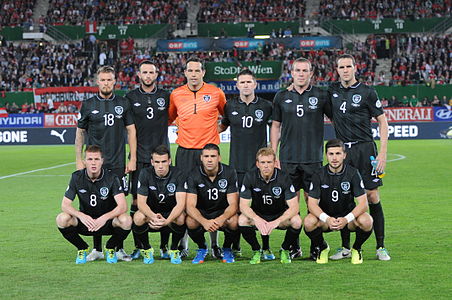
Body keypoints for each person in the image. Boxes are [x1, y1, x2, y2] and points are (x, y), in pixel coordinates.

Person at [328, 54, 390, 261]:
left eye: (348, 66)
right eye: (341, 67)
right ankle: (345, 247)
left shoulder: (367, 92)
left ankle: (380, 247)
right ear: (336, 70)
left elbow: (382, 122)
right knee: (345, 198)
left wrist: (382, 153)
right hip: (343, 151)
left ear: (355, 68)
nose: (345, 70)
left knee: (372, 195)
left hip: (366, 150)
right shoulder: (332, 92)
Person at [270, 57, 331, 259]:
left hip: (313, 159)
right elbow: (276, 126)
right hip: (288, 159)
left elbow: (336, 118)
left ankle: (317, 245)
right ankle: (294, 247)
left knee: (312, 204)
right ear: (292, 72)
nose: (301, 73)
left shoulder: (321, 95)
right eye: (298, 70)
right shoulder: (281, 96)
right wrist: (273, 153)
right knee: (292, 206)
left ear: (311, 73)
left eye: (305, 70)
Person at [75, 65, 137, 262]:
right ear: (97, 81)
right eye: (103, 80)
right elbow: (80, 132)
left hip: (118, 163)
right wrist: (78, 159)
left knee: (119, 206)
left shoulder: (123, 103)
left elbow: (131, 131)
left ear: (114, 81)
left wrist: (132, 157)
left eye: (109, 79)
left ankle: (117, 248)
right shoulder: (88, 104)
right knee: (96, 206)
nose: (106, 83)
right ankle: (97, 249)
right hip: (94, 164)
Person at [169, 57, 227, 258]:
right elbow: (169, 118)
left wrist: (216, 131)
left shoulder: (215, 93)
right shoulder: (176, 94)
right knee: (185, 199)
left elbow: (226, 117)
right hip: (184, 152)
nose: (193, 74)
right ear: (185, 73)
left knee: (211, 199)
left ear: (203, 73)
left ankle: (214, 245)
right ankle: (183, 246)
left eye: (197, 71)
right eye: (190, 71)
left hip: (207, 151)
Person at [218, 68, 272, 257]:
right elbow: (221, 127)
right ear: (237, 85)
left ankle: (265, 248)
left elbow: (276, 128)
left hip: (259, 168)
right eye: (242, 82)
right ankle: (235, 246)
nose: (246, 85)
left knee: (262, 208)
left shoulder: (266, 106)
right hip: (236, 166)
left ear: (255, 84)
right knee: (236, 209)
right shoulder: (230, 106)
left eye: (249, 82)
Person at [56, 146, 132, 264]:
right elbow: (65, 205)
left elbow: (123, 206)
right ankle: (82, 248)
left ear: (102, 161)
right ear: (84, 161)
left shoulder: (112, 177)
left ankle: (110, 247)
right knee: (62, 219)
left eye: (96, 159)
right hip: (86, 223)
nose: (93, 163)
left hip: (107, 223)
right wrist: (81, 216)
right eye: (90, 159)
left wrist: (104, 218)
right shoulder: (76, 177)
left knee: (126, 220)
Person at [125, 60, 170, 260]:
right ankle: (140, 246)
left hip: (162, 156)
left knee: (166, 201)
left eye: (151, 72)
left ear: (156, 74)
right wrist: (132, 157)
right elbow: (129, 129)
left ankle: (165, 247)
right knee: (136, 201)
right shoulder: (130, 97)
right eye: (145, 72)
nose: (148, 75)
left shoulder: (166, 96)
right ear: (139, 75)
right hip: (140, 157)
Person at [304, 139, 373, 264]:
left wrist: (347, 219)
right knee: (308, 222)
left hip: (348, 220)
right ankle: (323, 247)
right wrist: (327, 219)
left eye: (338, 153)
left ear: (344, 155)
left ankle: (356, 248)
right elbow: (311, 204)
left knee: (367, 221)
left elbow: (364, 204)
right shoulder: (318, 174)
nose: (334, 158)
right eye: (331, 154)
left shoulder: (353, 173)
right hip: (326, 220)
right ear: (326, 156)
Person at [239, 147, 302, 264]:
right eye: (263, 162)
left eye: (269, 162)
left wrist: (278, 221)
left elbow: (294, 207)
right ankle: (257, 250)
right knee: (242, 220)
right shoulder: (250, 176)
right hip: (259, 214)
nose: (266, 166)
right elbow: (243, 205)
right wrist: (256, 219)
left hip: (279, 215)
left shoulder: (284, 177)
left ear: (275, 163)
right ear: (257, 164)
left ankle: (285, 249)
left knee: (296, 221)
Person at [185, 144, 240, 264]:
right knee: (190, 221)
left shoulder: (230, 172)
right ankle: (202, 247)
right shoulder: (193, 174)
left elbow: (234, 204)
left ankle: (226, 248)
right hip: (202, 212)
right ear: (201, 158)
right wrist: (204, 221)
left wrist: (221, 219)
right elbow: (189, 206)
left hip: (222, 211)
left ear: (219, 158)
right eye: (206, 156)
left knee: (234, 221)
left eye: (213, 156)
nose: (209, 159)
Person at [132, 145, 187, 264]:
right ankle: (147, 249)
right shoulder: (145, 173)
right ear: (152, 162)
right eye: (157, 162)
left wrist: (167, 221)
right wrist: (153, 217)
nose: (160, 166)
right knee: (138, 217)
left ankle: (173, 249)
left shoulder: (179, 174)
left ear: (169, 161)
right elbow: (141, 203)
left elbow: (181, 204)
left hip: (170, 212)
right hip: (151, 212)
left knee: (181, 217)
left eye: (163, 162)